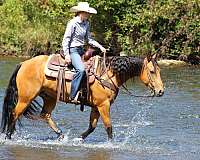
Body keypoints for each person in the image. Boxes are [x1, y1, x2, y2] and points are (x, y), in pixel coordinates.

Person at [62, 2, 106, 102]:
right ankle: (72, 96)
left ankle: (86, 93)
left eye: (88, 13)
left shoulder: (86, 23)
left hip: (81, 50)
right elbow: (66, 39)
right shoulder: (72, 23)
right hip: (73, 50)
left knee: (94, 68)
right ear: (81, 12)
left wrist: (100, 46)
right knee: (81, 70)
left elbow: (89, 39)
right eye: (87, 13)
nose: (88, 15)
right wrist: (67, 55)